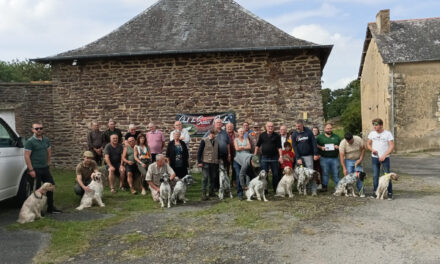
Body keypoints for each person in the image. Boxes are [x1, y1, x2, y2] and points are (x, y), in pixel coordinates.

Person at [24, 122, 62, 213]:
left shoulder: (46, 140)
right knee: (36, 190)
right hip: (35, 169)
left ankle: (50, 207)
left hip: (45, 168)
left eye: (41, 128)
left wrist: (48, 164)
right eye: (37, 128)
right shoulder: (30, 142)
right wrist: (31, 169)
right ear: (32, 130)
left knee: (50, 186)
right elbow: (26, 156)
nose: (39, 130)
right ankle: (36, 210)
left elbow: (49, 152)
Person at [367, 118, 394, 199]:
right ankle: (376, 192)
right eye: (373, 125)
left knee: (387, 175)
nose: (374, 127)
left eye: (376, 125)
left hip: (385, 158)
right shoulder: (372, 134)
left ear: (381, 125)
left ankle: (389, 193)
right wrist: (372, 150)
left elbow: (391, 146)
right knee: (375, 175)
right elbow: (368, 144)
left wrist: (384, 155)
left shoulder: (387, 134)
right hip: (375, 158)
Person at [291, 119, 319, 195]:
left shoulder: (309, 132)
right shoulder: (294, 134)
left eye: (299, 126)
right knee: (302, 175)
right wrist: (298, 158)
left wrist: (316, 153)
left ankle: (313, 190)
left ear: (302, 125)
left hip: (308, 155)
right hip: (300, 157)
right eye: (296, 126)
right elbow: (294, 146)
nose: (297, 128)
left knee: (311, 173)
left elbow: (314, 142)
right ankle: (303, 190)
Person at [254, 122, 283, 192]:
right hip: (264, 158)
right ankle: (265, 189)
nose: (270, 127)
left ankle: (276, 189)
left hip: (274, 158)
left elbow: (279, 147)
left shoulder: (277, 136)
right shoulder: (262, 135)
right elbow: (257, 145)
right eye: (269, 126)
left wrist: (281, 156)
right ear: (266, 127)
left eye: (272, 126)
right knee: (264, 174)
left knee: (275, 174)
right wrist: (254, 155)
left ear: (274, 127)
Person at [317, 123, 341, 192]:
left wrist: (338, 147)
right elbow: (315, 145)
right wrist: (321, 147)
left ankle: (338, 187)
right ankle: (324, 187)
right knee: (325, 173)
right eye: (328, 128)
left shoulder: (337, 137)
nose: (329, 130)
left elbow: (342, 146)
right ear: (324, 129)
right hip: (324, 158)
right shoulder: (320, 137)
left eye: (330, 128)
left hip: (335, 158)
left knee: (336, 173)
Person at [339, 132, 366, 197]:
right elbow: (341, 156)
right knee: (349, 178)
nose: (350, 143)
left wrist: (360, 159)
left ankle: (361, 192)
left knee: (359, 176)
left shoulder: (358, 139)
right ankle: (349, 192)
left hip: (358, 160)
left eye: (351, 141)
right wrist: (344, 168)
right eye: (348, 142)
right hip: (348, 160)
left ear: (352, 138)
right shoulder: (343, 143)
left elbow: (363, 149)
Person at [197, 129, 219, 200]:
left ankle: (211, 192)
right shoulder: (204, 140)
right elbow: (199, 151)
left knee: (213, 178)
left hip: (214, 162)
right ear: (210, 133)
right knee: (205, 178)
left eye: (216, 135)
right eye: (214, 134)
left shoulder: (216, 141)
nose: (215, 136)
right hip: (205, 162)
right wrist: (199, 162)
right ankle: (203, 194)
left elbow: (217, 151)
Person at [212, 118, 231, 191]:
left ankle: (226, 186)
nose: (219, 124)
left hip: (224, 155)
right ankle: (216, 187)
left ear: (222, 124)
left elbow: (228, 144)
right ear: (214, 124)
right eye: (217, 122)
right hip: (215, 155)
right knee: (215, 171)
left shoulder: (225, 132)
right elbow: (205, 140)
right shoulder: (211, 132)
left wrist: (229, 154)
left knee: (225, 171)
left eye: (220, 122)